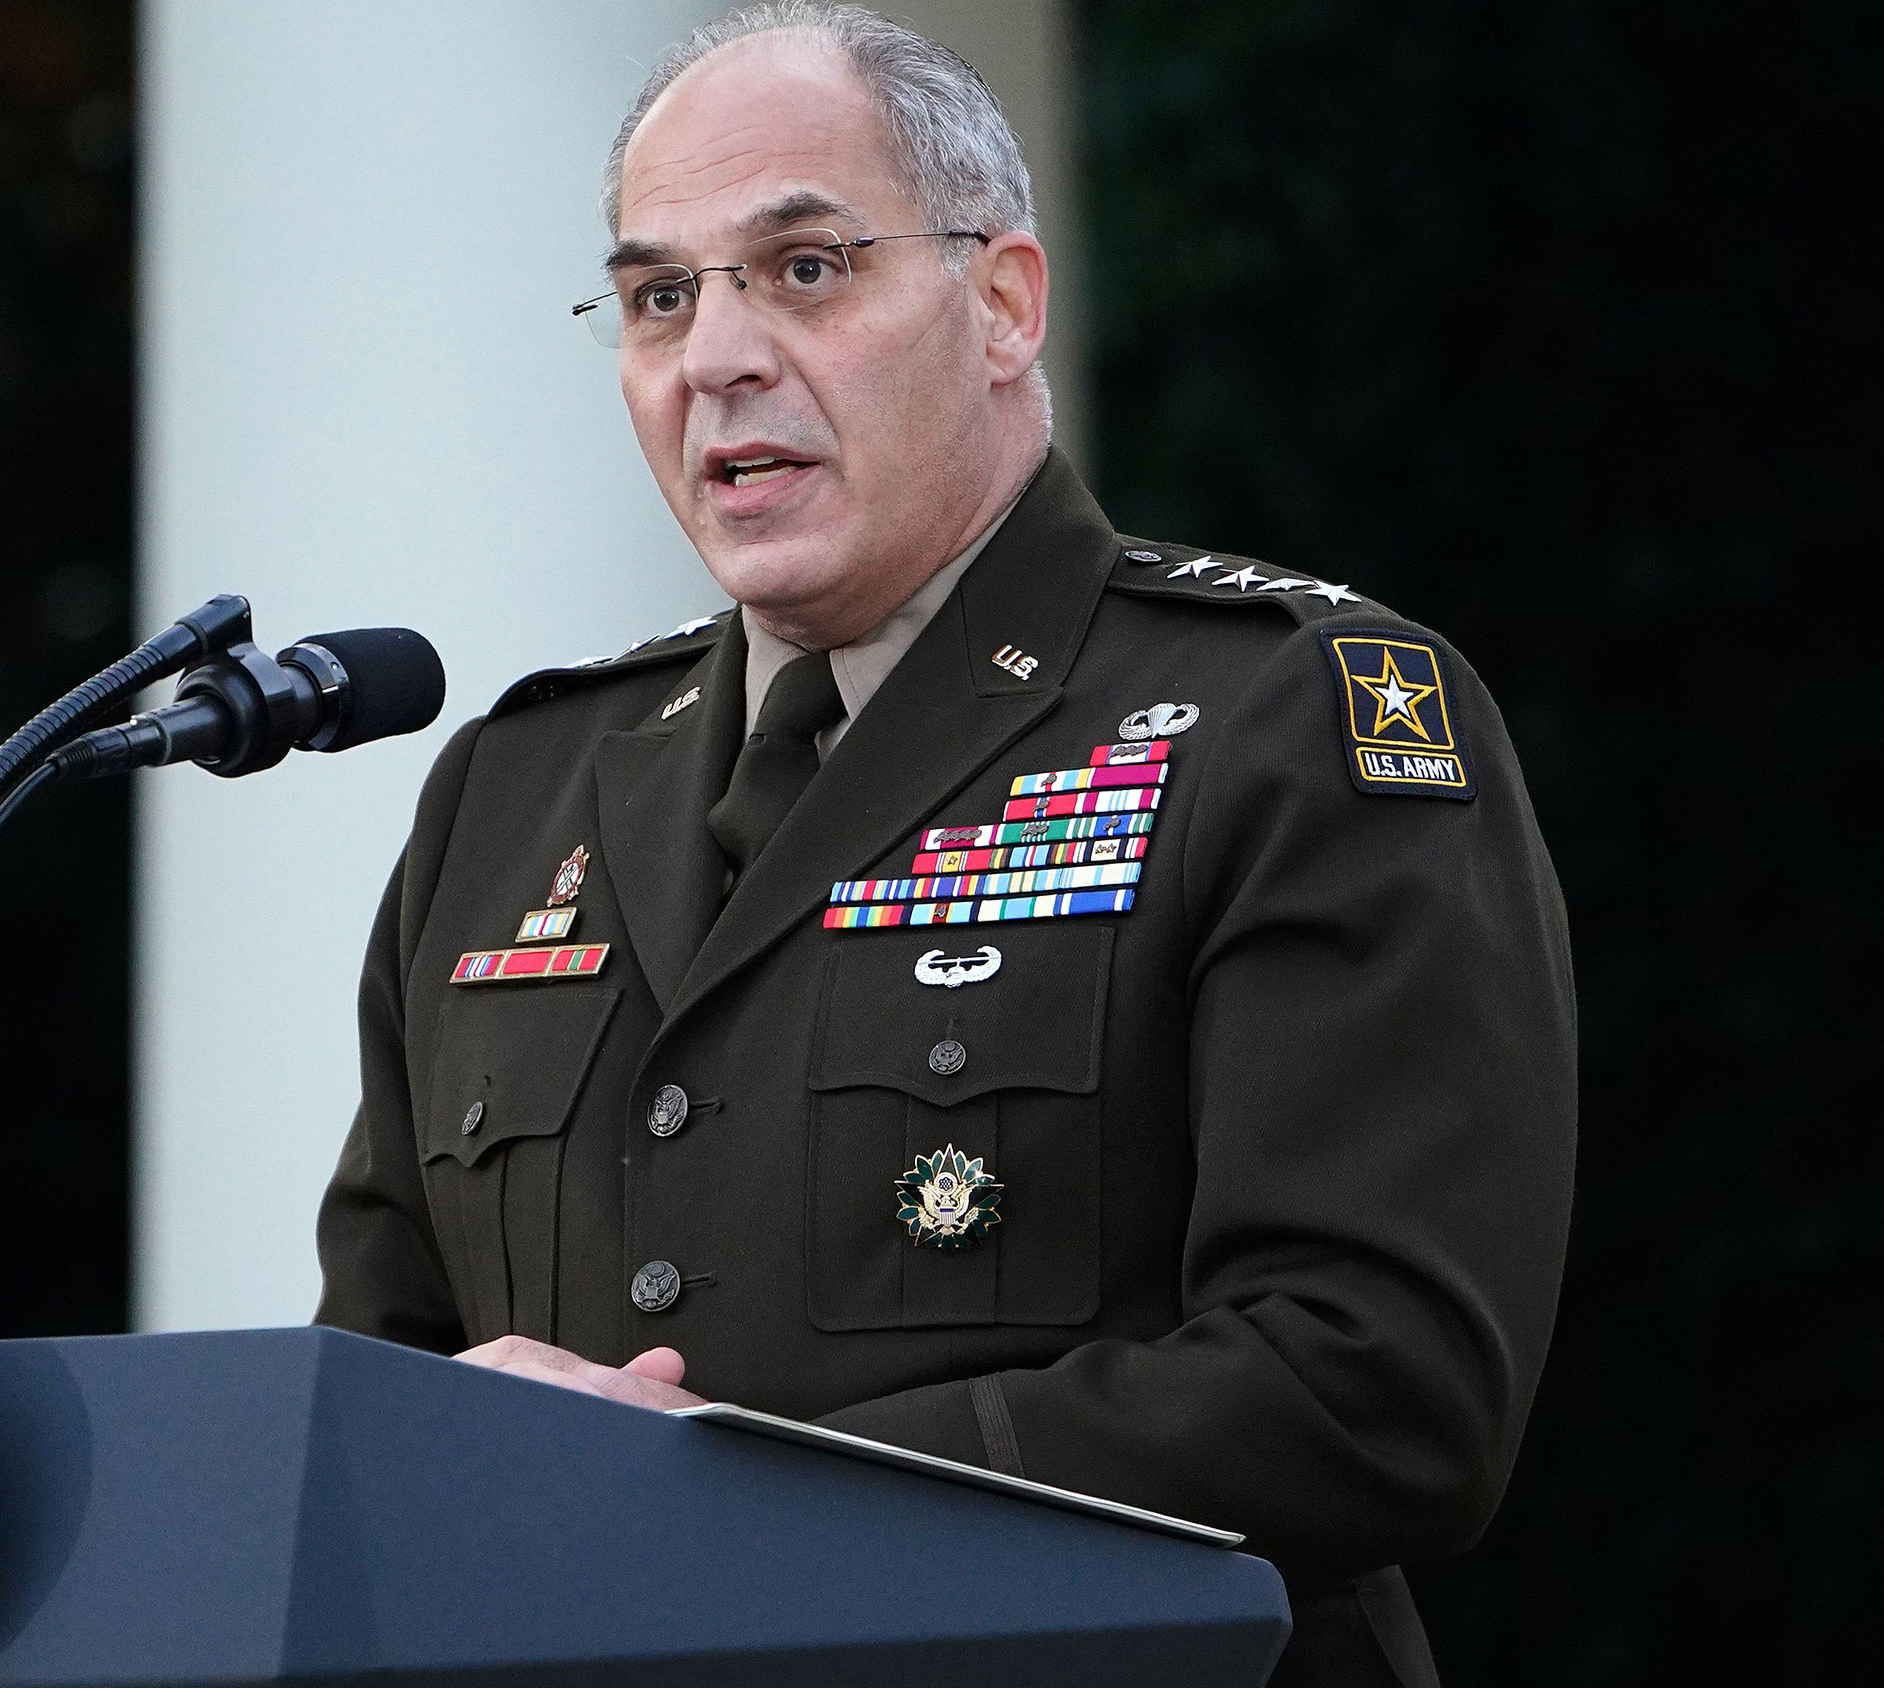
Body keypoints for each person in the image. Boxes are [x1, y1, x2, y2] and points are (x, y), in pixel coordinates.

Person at [314, 7, 1575, 1684]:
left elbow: (1376, 1388)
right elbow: (380, 1386)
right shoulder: (512, 788)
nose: (717, 358)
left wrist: (721, 1500)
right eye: (656, 298)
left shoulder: (1291, 718)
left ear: (1001, 305)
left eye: (808, 269)